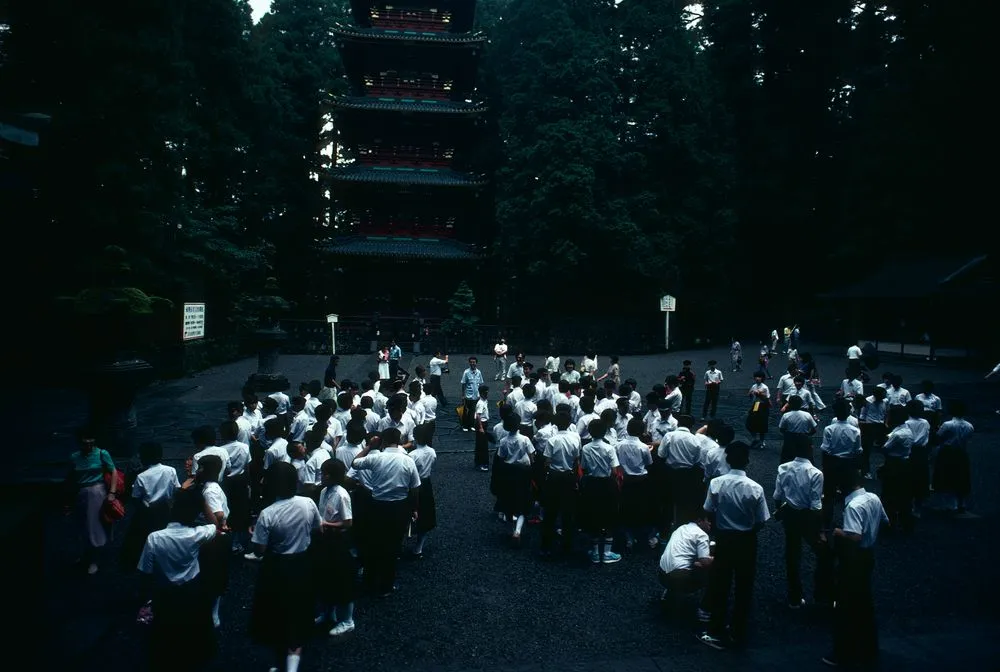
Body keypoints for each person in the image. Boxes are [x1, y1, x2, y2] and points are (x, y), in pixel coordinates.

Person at [250, 462, 323, 672]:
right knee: (298, 610)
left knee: (275, 610)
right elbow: (317, 529)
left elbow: (259, 550)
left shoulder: (267, 513)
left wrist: (254, 535)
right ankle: (293, 664)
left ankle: (276, 659)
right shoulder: (308, 503)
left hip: (276, 566)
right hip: (302, 562)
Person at [699, 441, 770, 650]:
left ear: (728, 460)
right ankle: (739, 630)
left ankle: (716, 629)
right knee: (744, 585)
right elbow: (761, 521)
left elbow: (708, 510)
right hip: (747, 540)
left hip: (724, 537)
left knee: (721, 582)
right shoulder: (755, 488)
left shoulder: (716, 484)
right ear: (747, 461)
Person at [137, 488, 218, 672]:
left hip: (165, 593)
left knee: (166, 636)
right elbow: (215, 524)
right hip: (193, 591)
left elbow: (145, 572)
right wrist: (202, 503)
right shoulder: (199, 533)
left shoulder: (154, 538)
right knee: (193, 633)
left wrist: (146, 600)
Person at [823, 470, 889, 668]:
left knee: (845, 605)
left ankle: (842, 653)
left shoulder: (853, 506)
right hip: (868, 556)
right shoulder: (874, 498)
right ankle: (868, 648)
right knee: (864, 604)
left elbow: (854, 536)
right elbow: (885, 521)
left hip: (854, 559)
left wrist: (837, 531)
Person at [350, 429, 420, 596]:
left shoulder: (376, 458)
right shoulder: (408, 460)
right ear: (399, 440)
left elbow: (354, 463)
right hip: (399, 507)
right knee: (393, 545)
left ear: (382, 441)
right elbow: (415, 488)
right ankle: (386, 585)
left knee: (373, 543)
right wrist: (414, 507)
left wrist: (369, 446)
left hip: (377, 506)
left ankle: (369, 581)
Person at [773, 439, 831, 608]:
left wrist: (781, 511)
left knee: (792, 554)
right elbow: (816, 506)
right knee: (824, 553)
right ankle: (822, 594)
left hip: (790, 514)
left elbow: (777, 496)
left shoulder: (783, 468)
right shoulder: (816, 473)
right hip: (808, 516)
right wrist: (821, 530)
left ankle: (794, 596)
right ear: (810, 449)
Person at [67, 426, 118, 575]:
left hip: (96, 492)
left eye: (91, 440)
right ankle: (85, 553)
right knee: (81, 525)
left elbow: (113, 471)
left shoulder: (102, 453)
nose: (89, 443)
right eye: (85, 441)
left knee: (94, 526)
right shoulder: (74, 457)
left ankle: (95, 558)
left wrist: (112, 492)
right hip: (80, 493)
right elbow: (71, 477)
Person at [121, 441, 179, 572]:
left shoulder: (141, 476)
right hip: (165, 508)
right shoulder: (171, 470)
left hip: (147, 511)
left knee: (143, 538)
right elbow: (176, 489)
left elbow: (135, 498)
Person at [315, 458, 356, 636]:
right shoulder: (324, 491)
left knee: (342, 579)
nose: (321, 476)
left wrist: (326, 524)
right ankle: (328, 612)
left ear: (331, 476)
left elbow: (347, 523)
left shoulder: (341, 495)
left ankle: (347, 620)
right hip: (325, 539)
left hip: (338, 541)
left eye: (324, 473)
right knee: (326, 577)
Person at [579, 419, 622, 564]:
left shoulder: (586, 448)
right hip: (607, 483)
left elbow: (583, 467)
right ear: (605, 432)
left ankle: (596, 552)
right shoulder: (609, 448)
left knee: (594, 515)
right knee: (610, 515)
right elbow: (614, 470)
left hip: (592, 484)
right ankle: (608, 552)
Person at [658, 512, 713, 621]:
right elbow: (705, 562)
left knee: (685, 562)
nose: (710, 523)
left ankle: (669, 593)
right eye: (708, 520)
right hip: (679, 580)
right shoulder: (702, 535)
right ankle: (704, 609)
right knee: (715, 571)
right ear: (699, 521)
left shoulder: (681, 528)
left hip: (661, 575)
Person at [819, 399, 863, 528]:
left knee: (829, 495)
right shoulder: (855, 431)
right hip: (848, 464)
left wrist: (824, 466)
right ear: (848, 413)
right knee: (849, 494)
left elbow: (825, 449)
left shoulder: (829, 429)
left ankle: (827, 522)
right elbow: (858, 451)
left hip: (832, 463)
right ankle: (849, 522)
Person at [933, 400, 975, 513]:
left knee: (946, 477)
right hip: (961, 453)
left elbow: (938, 437)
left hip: (947, 453)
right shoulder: (969, 426)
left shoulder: (947, 425)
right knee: (961, 477)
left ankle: (950, 504)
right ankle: (961, 503)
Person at [410, 423, 438, 557]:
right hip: (426, 483)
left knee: (411, 511)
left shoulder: (412, 455)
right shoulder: (432, 452)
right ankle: (419, 547)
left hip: (414, 485)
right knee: (425, 514)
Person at [778, 395, 817, 463]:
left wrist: (788, 435)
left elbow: (781, 429)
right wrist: (807, 435)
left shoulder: (786, 415)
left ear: (790, 404)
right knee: (807, 459)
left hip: (790, 439)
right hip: (804, 438)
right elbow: (814, 429)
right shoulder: (807, 415)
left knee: (787, 460)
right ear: (801, 404)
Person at [745, 372, 771, 448]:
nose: (757, 378)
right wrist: (750, 394)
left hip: (763, 406)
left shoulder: (765, 387)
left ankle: (762, 441)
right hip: (756, 405)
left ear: (762, 378)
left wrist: (759, 394)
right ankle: (755, 439)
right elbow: (750, 396)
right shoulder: (754, 386)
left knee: (762, 424)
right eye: (756, 377)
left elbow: (766, 399)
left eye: (759, 377)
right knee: (749, 423)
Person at [460, 357, 485, 432]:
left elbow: (480, 383)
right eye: (471, 362)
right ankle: (465, 425)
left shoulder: (479, 372)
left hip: (476, 396)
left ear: (476, 363)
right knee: (466, 412)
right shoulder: (466, 372)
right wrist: (463, 395)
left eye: (474, 362)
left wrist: (481, 395)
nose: (472, 363)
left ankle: (471, 425)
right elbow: (463, 384)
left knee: (473, 411)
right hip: (468, 395)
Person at [474, 384, 491, 471]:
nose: (487, 394)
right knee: (483, 445)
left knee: (480, 443)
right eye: (485, 393)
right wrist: (481, 427)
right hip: (482, 423)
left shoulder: (484, 401)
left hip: (483, 423)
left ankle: (478, 461)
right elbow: (478, 415)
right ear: (481, 393)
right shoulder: (480, 403)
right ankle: (483, 463)